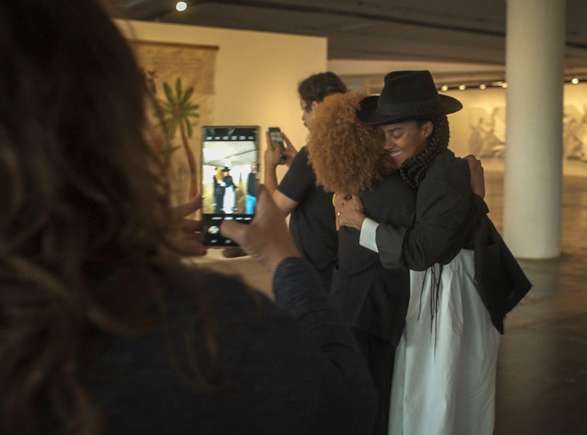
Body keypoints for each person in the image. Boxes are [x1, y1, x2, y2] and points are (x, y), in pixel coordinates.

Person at [0, 2, 377, 435]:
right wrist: (282, 258)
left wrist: (130, 238)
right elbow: (347, 404)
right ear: (111, 125)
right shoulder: (201, 327)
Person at [335, 71, 532, 435]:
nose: (386, 144)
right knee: (426, 398)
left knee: (439, 398)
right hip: (433, 298)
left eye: (396, 133)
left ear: (427, 129)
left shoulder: (448, 172)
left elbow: (421, 251)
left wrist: (359, 222)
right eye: (381, 134)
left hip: (450, 302)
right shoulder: (420, 172)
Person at [306, 91, 415, 435]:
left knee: (355, 399)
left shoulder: (349, 187)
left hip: (349, 301)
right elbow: (418, 249)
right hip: (375, 308)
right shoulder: (394, 189)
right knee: (376, 399)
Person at [257, 72, 348, 291]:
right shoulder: (349, 147)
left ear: (315, 107)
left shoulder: (311, 157)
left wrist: (269, 167)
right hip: (342, 269)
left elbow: (274, 214)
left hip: (315, 274)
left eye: (303, 108)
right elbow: (323, 192)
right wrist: (295, 165)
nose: (302, 118)